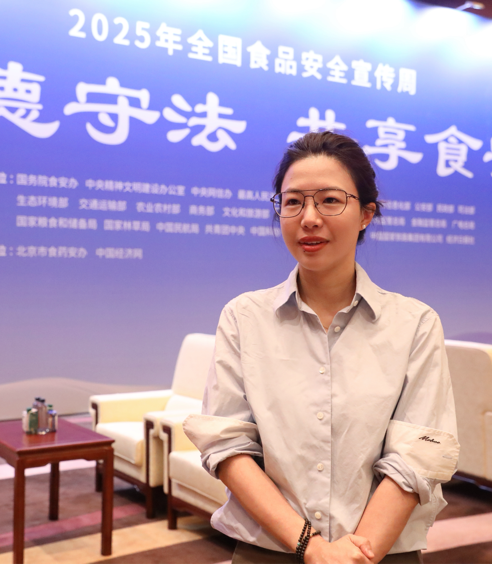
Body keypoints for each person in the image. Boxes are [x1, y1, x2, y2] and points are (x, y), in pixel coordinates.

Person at [183, 132, 459, 564]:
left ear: (366, 214)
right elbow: (228, 446)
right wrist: (311, 547)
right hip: (269, 551)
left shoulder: (415, 324)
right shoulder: (244, 317)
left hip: (378, 554)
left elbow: (417, 456)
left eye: (330, 200)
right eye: (293, 202)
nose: (309, 218)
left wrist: (353, 555)